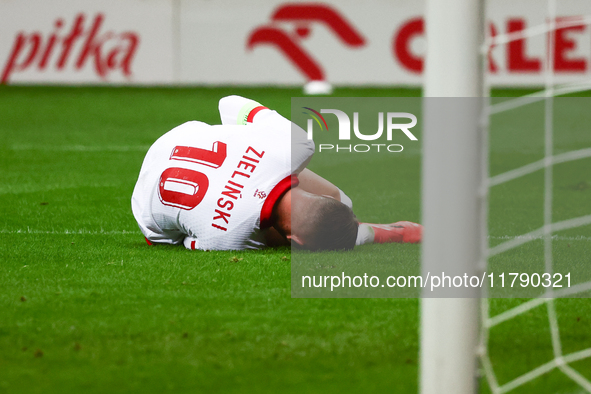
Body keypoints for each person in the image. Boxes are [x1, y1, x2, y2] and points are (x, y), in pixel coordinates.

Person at [131, 95, 421, 251]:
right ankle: (380, 233)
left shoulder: (298, 144)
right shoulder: (233, 238)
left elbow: (228, 103)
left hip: (179, 138)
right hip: (145, 206)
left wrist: (243, 149)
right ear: (295, 242)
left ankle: (378, 232)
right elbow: (184, 241)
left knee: (338, 204)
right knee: (339, 208)